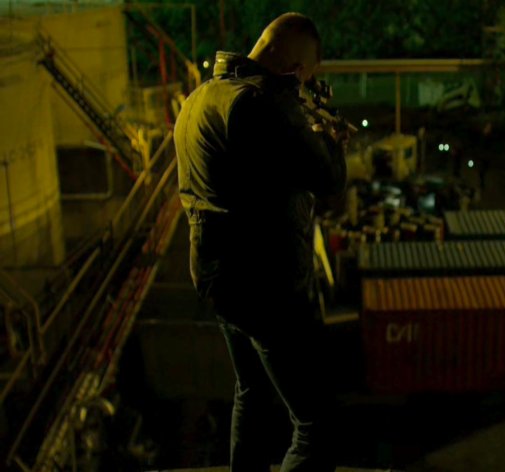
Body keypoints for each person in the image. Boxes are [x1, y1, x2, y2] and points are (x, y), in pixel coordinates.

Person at [173, 12, 346, 472]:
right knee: (317, 424)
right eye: (306, 75)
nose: (304, 84)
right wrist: (330, 133)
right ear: (294, 65)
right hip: (267, 285)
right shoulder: (262, 103)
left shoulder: (199, 98)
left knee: (252, 394)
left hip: (219, 278)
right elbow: (328, 178)